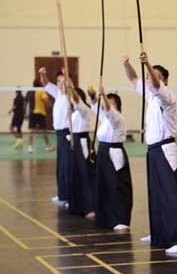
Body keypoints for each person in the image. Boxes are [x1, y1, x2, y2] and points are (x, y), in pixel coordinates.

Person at [122, 53, 177, 253]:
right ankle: (160, 233)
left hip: (166, 149)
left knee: (172, 196)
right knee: (157, 196)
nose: (151, 79)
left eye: (156, 76)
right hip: (153, 151)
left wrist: (148, 65)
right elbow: (133, 78)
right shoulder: (151, 96)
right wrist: (127, 64)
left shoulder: (167, 95)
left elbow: (153, 82)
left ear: (165, 80)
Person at [89, 86, 133, 231]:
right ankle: (105, 215)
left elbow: (109, 111)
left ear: (117, 106)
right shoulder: (105, 118)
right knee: (104, 185)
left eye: (111, 102)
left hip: (114, 153)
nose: (107, 104)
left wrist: (103, 96)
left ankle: (121, 219)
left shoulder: (117, 118)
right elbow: (96, 107)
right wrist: (93, 96)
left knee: (117, 186)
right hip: (103, 151)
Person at [39, 67, 72, 204]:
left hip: (67, 134)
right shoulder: (58, 93)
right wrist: (42, 73)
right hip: (58, 134)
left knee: (67, 166)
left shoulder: (71, 95)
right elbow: (45, 83)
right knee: (60, 167)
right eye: (58, 81)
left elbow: (71, 87)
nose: (60, 83)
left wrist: (67, 75)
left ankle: (70, 197)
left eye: (62, 81)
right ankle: (62, 195)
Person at [67, 87, 95, 217]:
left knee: (85, 174)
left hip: (83, 142)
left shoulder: (84, 109)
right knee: (75, 173)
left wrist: (70, 87)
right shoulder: (73, 112)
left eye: (75, 96)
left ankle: (90, 207)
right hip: (74, 142)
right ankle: (76, 204)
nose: (73, 98)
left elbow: (77, 100)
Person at [25, 80, 55, 153]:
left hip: (32, 113)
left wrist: (26, 113)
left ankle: (30, 147)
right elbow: (46, 100)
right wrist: (51, 106)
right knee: (44, 131)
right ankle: (48, 146)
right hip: (40, 113)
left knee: (31, 130)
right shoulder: (41, 90)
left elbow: (26, 103)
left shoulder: (29, 91)